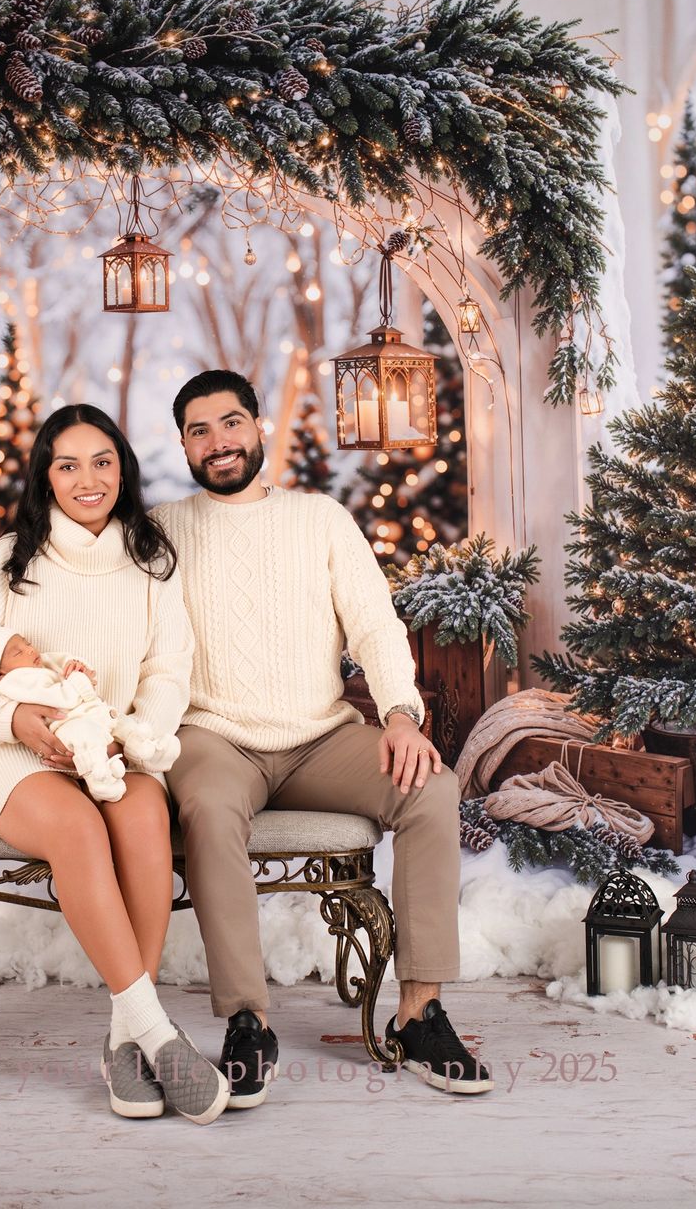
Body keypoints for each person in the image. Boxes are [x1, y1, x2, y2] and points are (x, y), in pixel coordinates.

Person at [151, 369, 494, 1105]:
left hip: (319, 736)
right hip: (213, 736)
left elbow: (374, 623)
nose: (218, 441)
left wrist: (399, 712)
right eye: (199, 430)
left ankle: (419, 1012)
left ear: (258, 428)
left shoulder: (320, 518)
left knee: (431, 789)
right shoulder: (160, 531)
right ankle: (248, 1020)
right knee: (208, 807)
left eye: (231, 422)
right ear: (183, 445)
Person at [0, 403, 230, 1124]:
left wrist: (134, 733)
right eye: (67, 465)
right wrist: (16, 721)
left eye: (102, 462)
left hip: (111, 744)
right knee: (77, 826)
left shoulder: (150, 561)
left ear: (122, 470)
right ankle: (156, 1032)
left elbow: (168, 671)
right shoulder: (8, 561)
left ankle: (125, 1039)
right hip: (1, 753)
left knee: (143, 816)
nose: (87, 479)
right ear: (46, 477)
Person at [0, 627, 180, 802]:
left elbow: (64, 662)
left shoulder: (38, 664)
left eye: (26, 643)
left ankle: (147, 749)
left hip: (91, 711)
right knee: (88, 739)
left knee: (120, 722)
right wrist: (80, 681)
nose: (29, 650)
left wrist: (77, 666)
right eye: (18, 653)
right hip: (67, 724)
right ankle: (100, 778)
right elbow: (62, 698)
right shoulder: (15, 682)